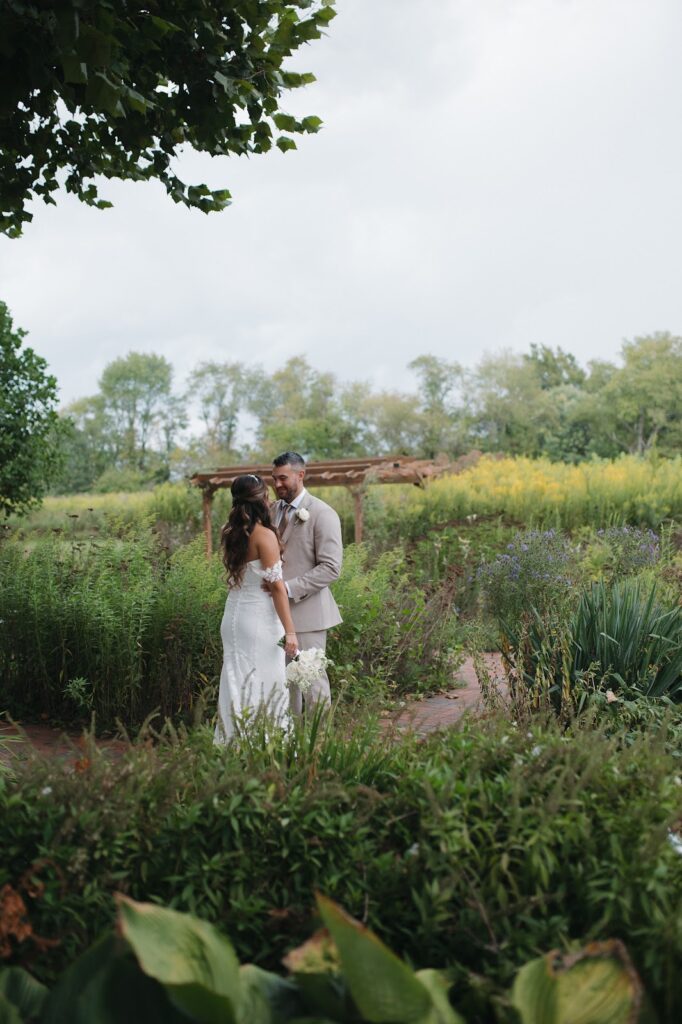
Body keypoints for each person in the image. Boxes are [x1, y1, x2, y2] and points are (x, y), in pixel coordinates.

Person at [214, 474, 298, 743]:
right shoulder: (264, 536)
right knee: (266, 681)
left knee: (235, 681)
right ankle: (266, 744)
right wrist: (291, 632)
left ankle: (233, 744)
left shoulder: (231, 532)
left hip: (234, 617)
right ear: (262, 499)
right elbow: (277, 589)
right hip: (259, 620)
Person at [270, 452, 343, 714]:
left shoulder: (323, 513)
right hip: (272, 615)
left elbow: (331, 568)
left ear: (300, 475)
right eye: (274, 479)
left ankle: (319, 737)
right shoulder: (272, 511)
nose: (277, 484)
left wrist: (287, 589)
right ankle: (291, 735)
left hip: (308, 614)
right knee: (283, 684)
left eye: (283, 478)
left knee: (313, 683)